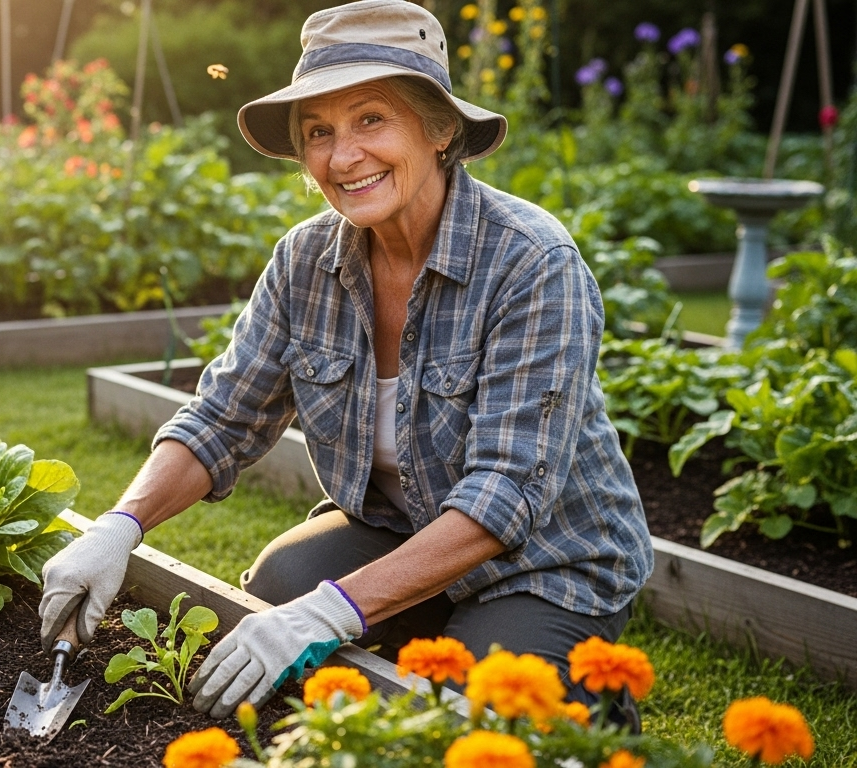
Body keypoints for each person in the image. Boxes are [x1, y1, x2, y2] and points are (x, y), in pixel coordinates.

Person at [39, 0, 653, 727]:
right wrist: (120, 526)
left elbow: (506, 495)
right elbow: (222, 417)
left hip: (547, 562)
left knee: (478, 711)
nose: (342, 156)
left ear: (441, 128)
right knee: (276, 587)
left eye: (371, 119)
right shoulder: (305, 260)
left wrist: (331, 611)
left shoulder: (531, 262)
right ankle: (404, 629)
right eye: (318, 132)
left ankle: (593, 704)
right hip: (398, 529)